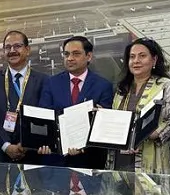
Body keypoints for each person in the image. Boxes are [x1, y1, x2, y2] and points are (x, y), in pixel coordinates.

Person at [37, 35, 114, 169]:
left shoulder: (103, 86)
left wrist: (82, 147)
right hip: (57, 163)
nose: (70, 58)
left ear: (88, 56)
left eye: (76, 54)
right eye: (66, 54)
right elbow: (44, 117)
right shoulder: (51, 83)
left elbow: (103, 127)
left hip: (89, 162)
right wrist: (46, 143)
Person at [104, 38, 170, 174]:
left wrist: (142, 136)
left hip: (152, 158)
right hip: (121, 158)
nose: (136, 61)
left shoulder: (164, 85)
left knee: (150, 187)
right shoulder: (122, 88)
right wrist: (102, 117)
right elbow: (117, 120)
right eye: (132, 57)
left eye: (142, 56)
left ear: (154, 60)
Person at [0, 30, 49, 163]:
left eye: (17, 46)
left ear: (27, 50)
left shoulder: (44, 81)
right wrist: (6, 146)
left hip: (34, 154)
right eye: (8, 47)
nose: (12, 50)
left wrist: (26, 144)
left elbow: (44, 118)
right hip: (1, 155)